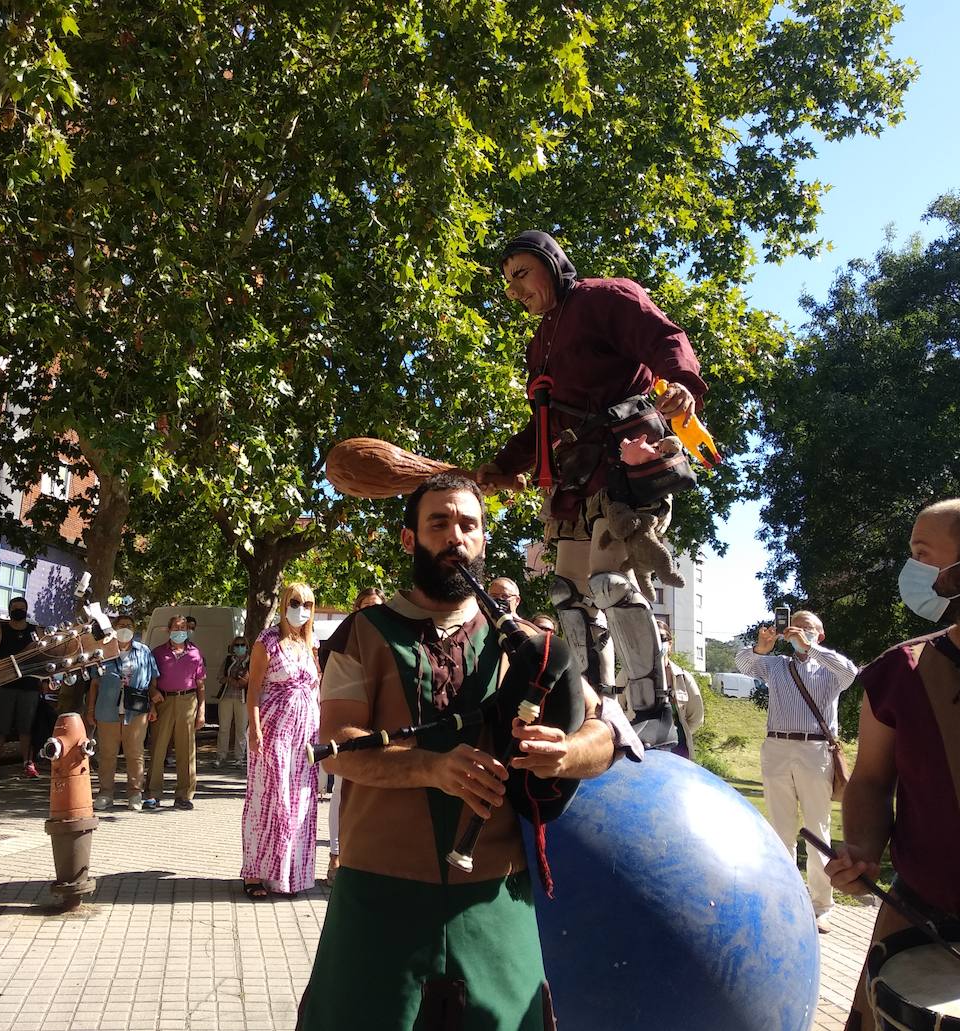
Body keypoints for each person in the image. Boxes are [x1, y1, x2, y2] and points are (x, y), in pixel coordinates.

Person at [298, 473, 641, 1030]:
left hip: (495, 900)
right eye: (438, 523)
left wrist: (565, 753)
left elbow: (612, 734)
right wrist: (432, 768)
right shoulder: (362, 633)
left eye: (468, 524)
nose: (455, 536)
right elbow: (337, 747)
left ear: (483, 539)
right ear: (409, 539)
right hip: (379, 898)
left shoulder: (528, 643)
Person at [476, 230, 708, 751]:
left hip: (626, 462)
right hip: (575, 478)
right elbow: (546, 423)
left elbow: (665, 337)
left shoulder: (606, 296)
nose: (515, 290)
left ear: (553, 264)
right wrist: (502, 465)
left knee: (609, 580)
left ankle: (653, 709)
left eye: (521, 274)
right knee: (567, 592)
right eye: (508, 283)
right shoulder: (539, 343)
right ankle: (596, 706)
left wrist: (682, 384)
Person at [824, 499, 960, 1031]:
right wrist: (862, 851)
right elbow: (871, 780)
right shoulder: (899, 671)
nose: (911, 571)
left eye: (922, 555)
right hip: (917, 928)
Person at [736, 609, 857, 933]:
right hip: (777, 747)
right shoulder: (777, 665)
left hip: (815, 750)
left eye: (808, 629)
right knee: (780, 830)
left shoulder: (829, 669)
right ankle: (785, 901)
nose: (800, 632)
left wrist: (810, 647)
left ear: (820, 634)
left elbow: (851, 672)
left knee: (817, 829)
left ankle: (821, 906)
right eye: (795, 627)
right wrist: (761, 647)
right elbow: (743, 664)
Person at [241, 583, 321, 899]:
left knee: (299, 804)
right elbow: (253, 689)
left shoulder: (309, 643)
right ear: (285, 603)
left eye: (307, 604)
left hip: (305, 737)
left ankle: (286, 875)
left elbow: (316, 687)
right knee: (269, 801)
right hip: (274, 731)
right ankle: (254, 873)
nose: (301, 609)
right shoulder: (268, 641)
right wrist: (255, 729)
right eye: (295, 602)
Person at [324, 587, 386, 886]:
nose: (371, 612)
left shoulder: (391, 639)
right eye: (365, 607)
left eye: (377, 606)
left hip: (384, 729)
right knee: (341, 792)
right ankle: (336, 856)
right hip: (350, 727)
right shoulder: (344, 640)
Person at [83, 613, 158, 812]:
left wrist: (153, 705)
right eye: (121, 625)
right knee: (107, 754)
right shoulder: (103, 652)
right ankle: (105, 793)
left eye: (129, 625)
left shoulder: (144, 651)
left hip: (136, 711)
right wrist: (90, 710)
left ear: (134, 629)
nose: (125, 628)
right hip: (107, 710)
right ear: (114, 629)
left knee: (135, 753)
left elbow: (152, 681)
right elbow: (94, 683)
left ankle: (135, 793)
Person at [144, 615, 205, 810]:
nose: (180, 631)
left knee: (186, 749)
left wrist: (201, 710)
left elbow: (201, 685)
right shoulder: (157, 653)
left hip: (188, 701)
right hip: (164, 701)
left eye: (183, 627)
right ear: (168, 630)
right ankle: (153, 793)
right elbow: (150, 682)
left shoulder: (195, 653)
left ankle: (184, 795)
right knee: (158, 748)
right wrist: (152, 701)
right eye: (176, 627)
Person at [0, 596, 44, 779]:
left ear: (26, 611)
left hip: (29, 687)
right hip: (4, 687)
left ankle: (28, 764)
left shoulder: (36, 632)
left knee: (27, 728)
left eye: (22, 608)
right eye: (15, 608)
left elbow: (44, 658)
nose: (19, 611)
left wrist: (45, 683)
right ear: (9, 611)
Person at [656, 620, 703, 760]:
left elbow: (696, 718)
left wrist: (677, 734)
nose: (657, 642)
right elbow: (619, 707)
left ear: (670, 643)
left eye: (661, 638)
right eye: (652, 637)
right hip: (640, 751)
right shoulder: (628, 676)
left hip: (676, 754)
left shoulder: (684, 677)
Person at [216, 636, 250, 768]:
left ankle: (239, 758)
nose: (239, 647)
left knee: (241, 729)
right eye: (237, 645)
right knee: (224, 728)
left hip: (243, 699)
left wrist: (243, 681)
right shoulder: (228, 660)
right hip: (226, 697)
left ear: (246, 647)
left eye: (242, 645)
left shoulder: (251, 661)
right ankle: (221, 756)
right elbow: (220, 677)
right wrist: (230, 679)